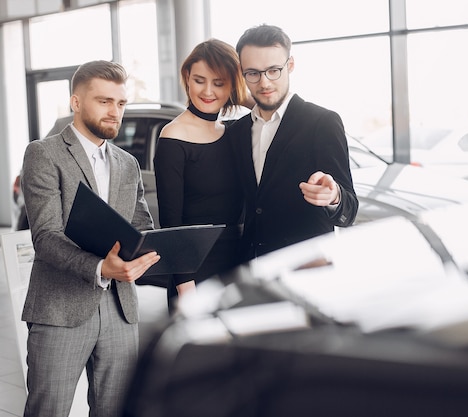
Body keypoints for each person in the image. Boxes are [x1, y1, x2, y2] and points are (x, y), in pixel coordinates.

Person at [20, 60, 161, 417]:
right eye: (104, 101)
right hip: (60, 307)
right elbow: (46, 236)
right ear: (76, 102)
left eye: (120, 103)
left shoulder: (128, 163)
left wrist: (150, 253)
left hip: (120, 310)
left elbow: (140, 225)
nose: (115, 112)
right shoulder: (43, 153)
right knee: (47, 410)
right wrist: (100, 266)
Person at [231, 24, 358, 261]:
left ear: (290, 65)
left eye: (273, 70)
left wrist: (334, 197)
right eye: (253, 73)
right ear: (242, 72)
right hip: (251, 271)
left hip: (306, 272)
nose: (264, 82)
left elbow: (349, 211)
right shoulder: (237, 131)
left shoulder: (322, 122)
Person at [153, 39, 249, 313]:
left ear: (232, 84)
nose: (208, 91)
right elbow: (172, 224)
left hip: (237, 265)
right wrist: (186, 288)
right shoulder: (173, 137)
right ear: (186, 78)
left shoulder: (234, 131)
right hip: (194, 272)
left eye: (219, 83)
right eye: (199, 80)